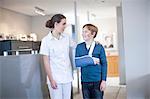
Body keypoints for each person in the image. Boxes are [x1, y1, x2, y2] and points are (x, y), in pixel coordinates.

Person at [40, 14, 73, 99]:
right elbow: (46, 62)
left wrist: (93, 42)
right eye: (63, 24)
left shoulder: (67, 37)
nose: (65, 26)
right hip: (55, 78)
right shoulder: (46, 41)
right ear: (56, 24)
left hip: (67, 77)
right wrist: (51, 80)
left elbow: (78, 46)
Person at [75, 24, 107, 99]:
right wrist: (92, 61)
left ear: (93, 34)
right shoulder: (79, 47)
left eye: (86, 32)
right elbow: (77, 63)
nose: (83, 34)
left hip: (97, 81)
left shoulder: (99, 47)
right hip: (85, 81)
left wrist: (104, 80)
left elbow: (104, 64)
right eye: (82, 32)